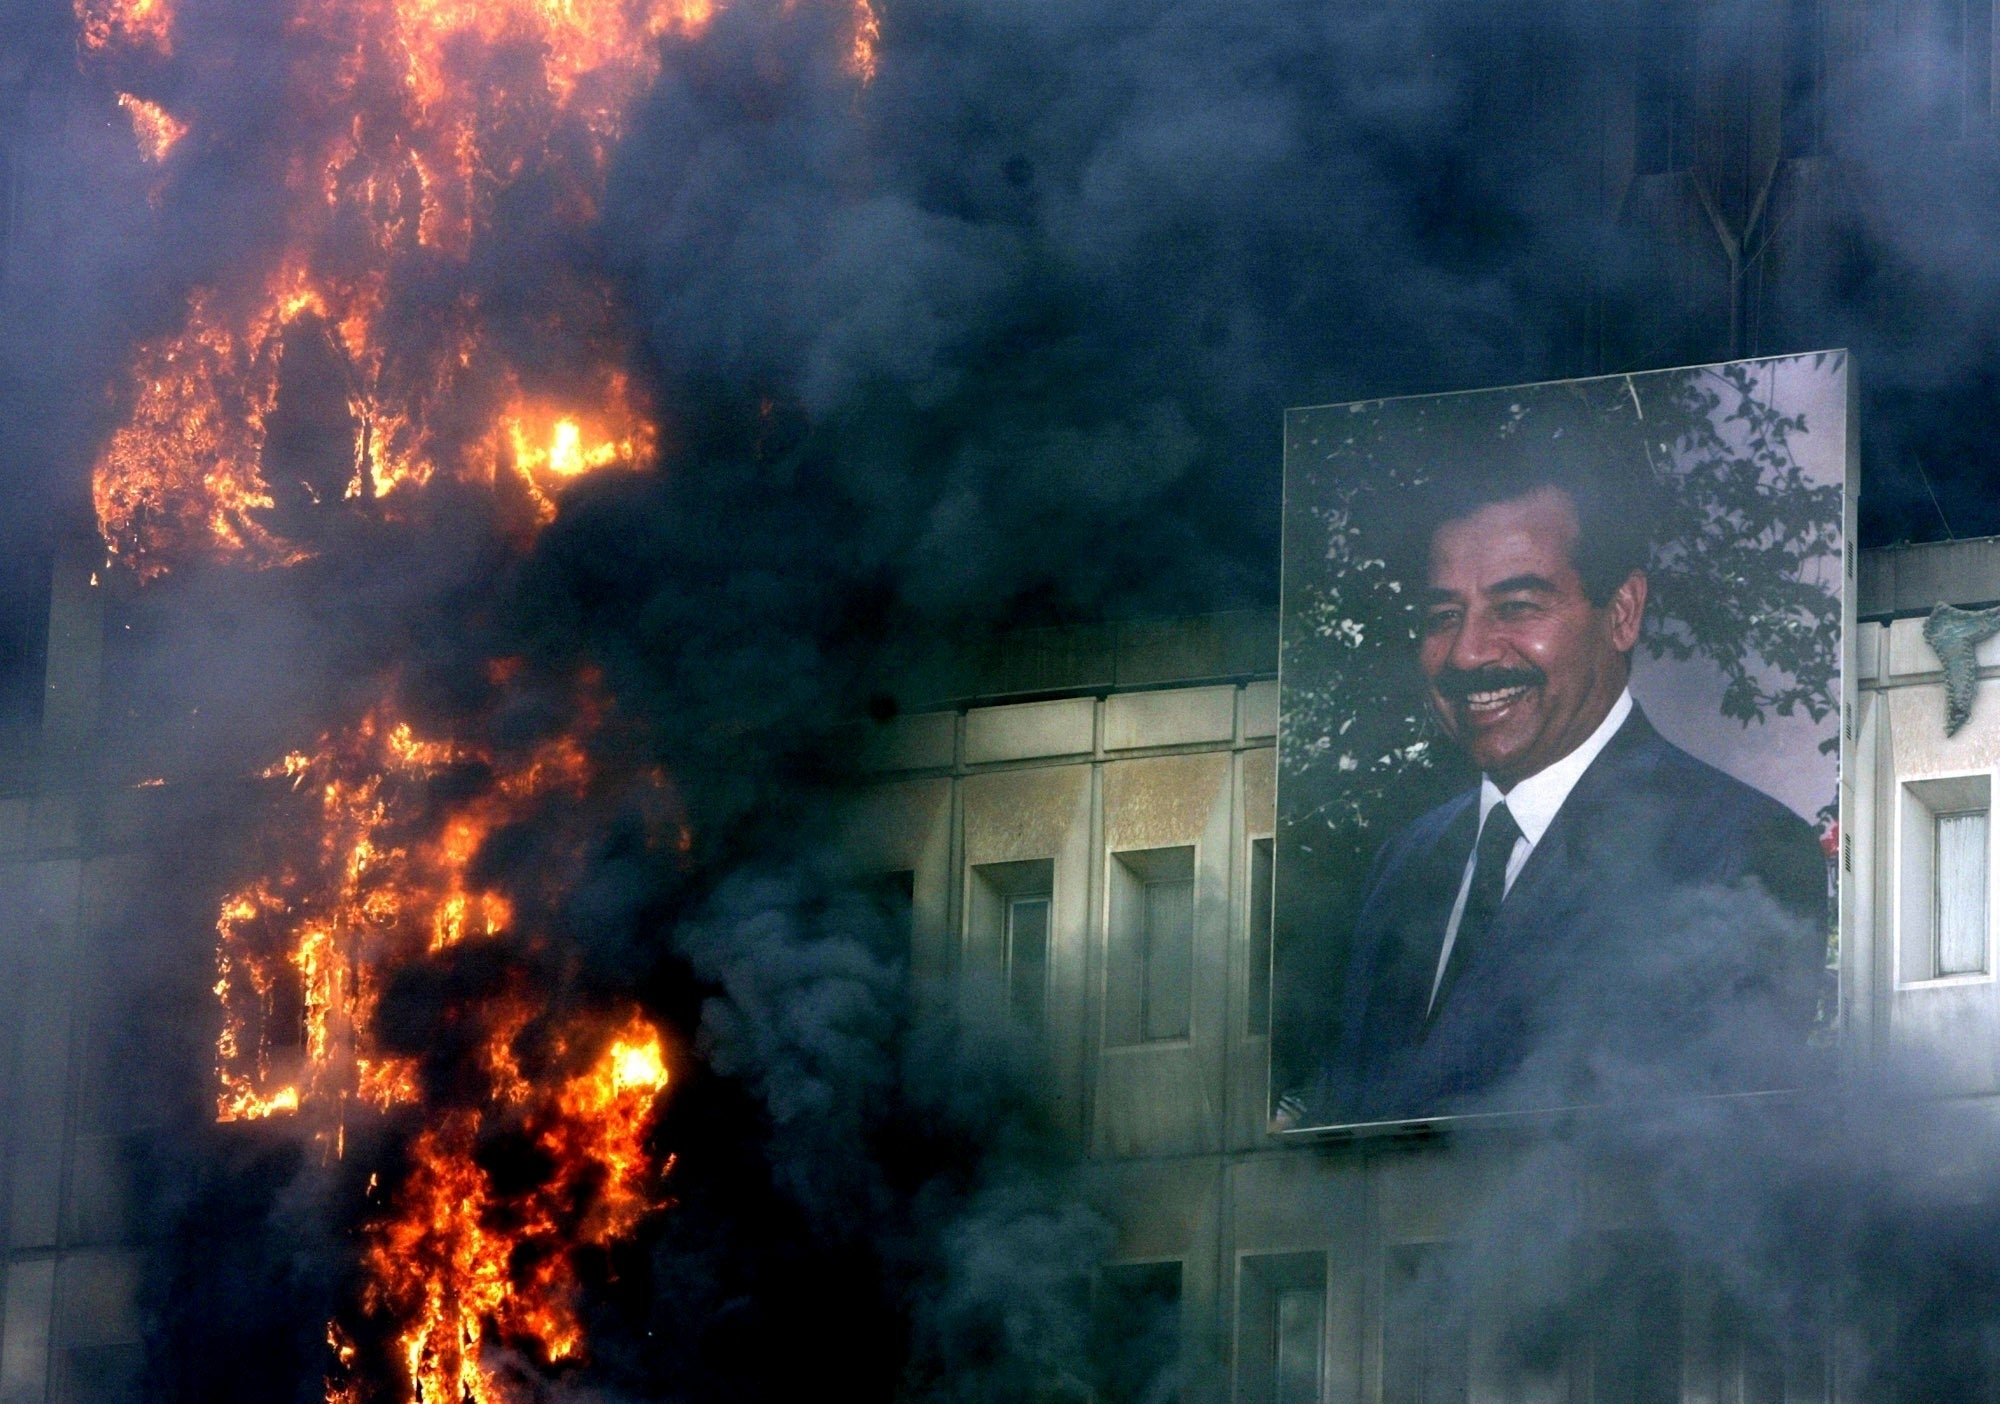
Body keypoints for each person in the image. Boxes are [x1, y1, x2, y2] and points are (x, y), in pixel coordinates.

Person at [1310, 421, 1827, 1126]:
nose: (1466, 654)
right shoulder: (1401, 867)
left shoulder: (1743, 852)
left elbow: (1707, 1169)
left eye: (1516, 607)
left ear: (1622, 613)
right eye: (1442, 614)